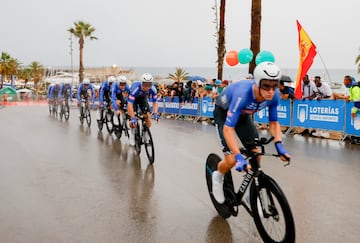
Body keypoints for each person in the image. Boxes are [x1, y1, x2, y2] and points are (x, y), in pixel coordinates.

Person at [211, 61, 291, 203]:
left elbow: (274, 123)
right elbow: (228, 129)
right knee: (230, 160)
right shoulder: (243, 94)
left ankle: (251, 193)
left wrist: (279, 145)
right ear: (257, 83)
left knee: (256, 154)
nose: (271, 91)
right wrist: (238, 157)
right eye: (266, 86)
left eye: (274, 86)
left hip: (243, 114)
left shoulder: (274, 95)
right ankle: (218, 176)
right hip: (223, 113)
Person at [127, 73, 159, 145]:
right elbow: (130, 105)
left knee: (147, 116)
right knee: (133, 121)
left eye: (149, 84)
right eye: (145, 84)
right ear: (141, 83)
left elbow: (155, 102)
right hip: (133, 100)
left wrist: (156, 113)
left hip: (142, 98)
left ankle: (145, 134)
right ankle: (132, 135)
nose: (147, 87)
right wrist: (133, 117)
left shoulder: (153, 89)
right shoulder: (135, 88)